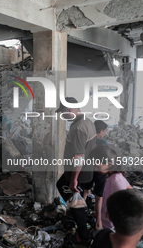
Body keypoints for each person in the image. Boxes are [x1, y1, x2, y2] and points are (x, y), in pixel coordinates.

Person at [56, 97, 97, 244]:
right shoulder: (87, 121)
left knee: (76, 202)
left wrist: (74, 179)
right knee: (61, 186)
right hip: (86, 170)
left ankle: (84, 236)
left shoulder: (78, 128)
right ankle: (77, 214)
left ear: (69, 110)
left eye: (63, 112)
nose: (62, 115)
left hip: (79, 172)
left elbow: (79, 155)